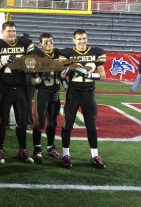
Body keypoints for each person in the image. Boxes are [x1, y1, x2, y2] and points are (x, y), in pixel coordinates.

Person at [0, 21, 35, 164]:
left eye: (14, 30)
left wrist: (28, 68)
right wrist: (5, 61)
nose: (12, 33)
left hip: (21, 88)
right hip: (5, 88)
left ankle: (23, 149)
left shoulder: (24, 43)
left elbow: (32, 63)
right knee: (1, 121)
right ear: (2, 32)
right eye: (9, 31)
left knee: (22, 121)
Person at [59, 29, 106, 169]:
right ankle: (66, 155)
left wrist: (88, 74)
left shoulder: (95, 52)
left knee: (91, 125)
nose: (82, 41)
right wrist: (68, 71)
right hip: (73, 93)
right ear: (74, 40)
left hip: (89, 93)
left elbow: (103, 76)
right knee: (68, 124)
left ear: (87, 38)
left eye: (84, 38)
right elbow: (61, 75)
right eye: (79, 39)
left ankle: (94, 156)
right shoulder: (68, 53)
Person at [31, 33, 62, 163]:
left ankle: (50, 147)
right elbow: (33, 81)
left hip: (55, 92)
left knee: (52, 122)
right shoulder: (37, 57)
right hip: (42, 92)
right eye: (45, 42)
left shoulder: (59, 54)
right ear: (40, 44)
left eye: (50, 41)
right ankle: (37, 150)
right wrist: (43, 77)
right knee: (40, 122)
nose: (48, 44)